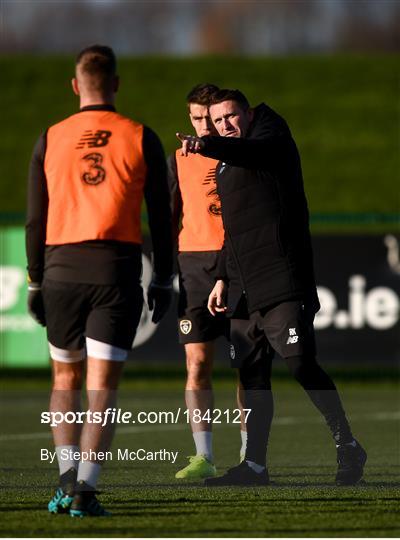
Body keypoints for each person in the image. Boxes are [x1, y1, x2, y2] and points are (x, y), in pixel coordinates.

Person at [177, 88, 367, 487]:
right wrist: (223, 278)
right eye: (216, 121)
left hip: (282, 278)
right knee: (251, 376)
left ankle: (347, 444)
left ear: (247, 114)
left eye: (230, 117)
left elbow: (256, 153)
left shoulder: (271, 139)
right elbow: (232, 231)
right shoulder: (226, 166)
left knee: (301, 365)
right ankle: (255, 467)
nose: (224, 125)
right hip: (243, 287)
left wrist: (206, 144)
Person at [26, 44, 173, 516]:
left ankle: (66, 478)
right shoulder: (140, 136)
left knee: (64, 378)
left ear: (76, 86)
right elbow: (162, 217)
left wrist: (34, 282)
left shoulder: (50, 137)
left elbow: (35, 219)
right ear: (116, 84)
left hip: (61, 270)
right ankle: (85, 489)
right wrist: (165, 278)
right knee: (102, 386)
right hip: (115, 269)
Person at [169, 83, 250, 479]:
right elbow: (170, 215)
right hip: (193, 268)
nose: (205, 126)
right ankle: (203, 455)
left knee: (245, 365)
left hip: (236, 263)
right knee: (196, 361)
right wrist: (166, 273)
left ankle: (251, 456)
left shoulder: (242, 154)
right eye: (197, 118)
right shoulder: (180, 159)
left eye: (210, 119)